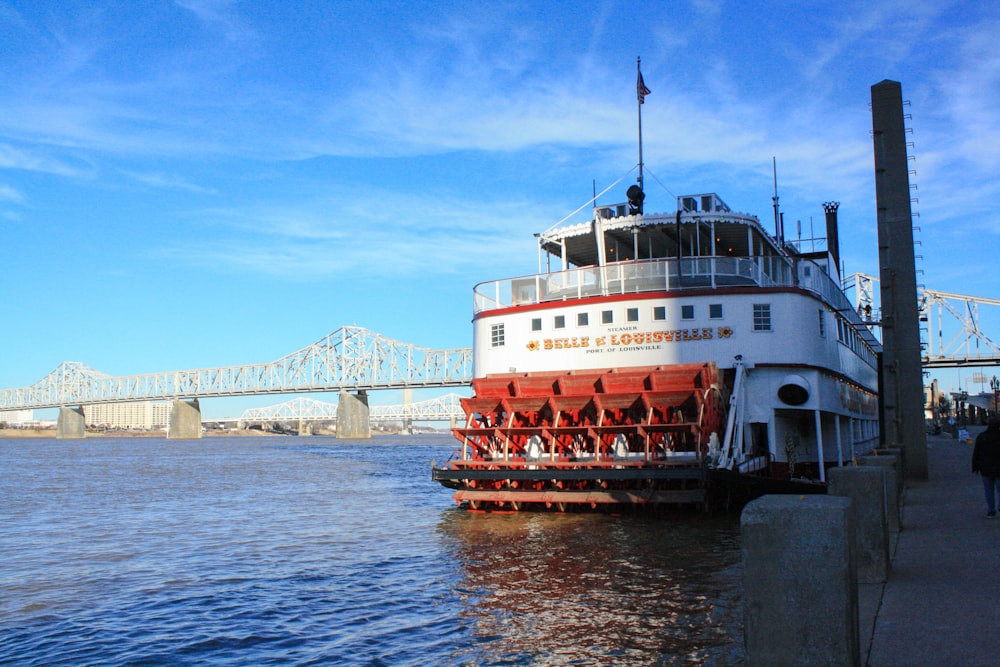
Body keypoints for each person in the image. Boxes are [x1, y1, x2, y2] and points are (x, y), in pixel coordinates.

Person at [971, 418, 1000, 518]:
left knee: (988, 490)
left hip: (985, 467)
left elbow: (976, 452)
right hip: (999, 467)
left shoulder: (982, 437)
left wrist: (975, 466)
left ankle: (991, 510)